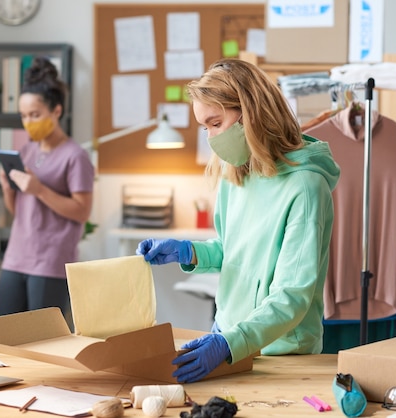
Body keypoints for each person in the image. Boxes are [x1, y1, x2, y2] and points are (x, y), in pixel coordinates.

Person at [136, 58, 340, 383]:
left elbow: (292, 295)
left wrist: (231, 342)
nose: (211, 138)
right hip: (232, 337)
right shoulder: (239, 172)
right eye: (205, 128)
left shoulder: (305, 187)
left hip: (281, 354)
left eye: (215, 123)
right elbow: (232, 249)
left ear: (250, 111)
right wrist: (189, 252)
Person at [0, 56, 95, 326]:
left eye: (35, 115)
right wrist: (7, 187)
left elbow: (82, 211)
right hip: (16, 257)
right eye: (24, 116)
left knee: (43, 342)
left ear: (56, 111)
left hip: (50, 262)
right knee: (0, 333)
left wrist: (40, 190)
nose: (28, 122)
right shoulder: (26, 151)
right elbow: (20, 213)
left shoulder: (75, 157)